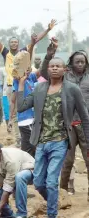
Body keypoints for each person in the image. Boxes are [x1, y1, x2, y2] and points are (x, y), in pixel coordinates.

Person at [17, 41, 89, 218]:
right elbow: (21, 107)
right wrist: (20, 85)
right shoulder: (39, 88)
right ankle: (54, 201)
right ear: (47, 69)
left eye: (58, 66)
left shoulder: (72, 89)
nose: (55, 69)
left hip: (60, 141)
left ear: (65, 70)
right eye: (52, 66)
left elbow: (85, 117)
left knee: (50, 182)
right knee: (39, 182)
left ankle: (52, 214)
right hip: (41, 142)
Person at [0, 14, 56, 102]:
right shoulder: (5, 52)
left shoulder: (23, 52)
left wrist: (48, 29)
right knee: (11, 110)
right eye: (12, 42)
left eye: (15, 42)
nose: (14, 43)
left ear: (18, 43)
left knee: (22, 107)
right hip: (10, 86)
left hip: (22, 84)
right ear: (9, 44)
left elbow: (35, 40)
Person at [55, 49, 89, 199]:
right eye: (77, 62)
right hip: (68, 124)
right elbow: (46, 73)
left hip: (85, 124)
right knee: (67, 160)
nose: (80, 64)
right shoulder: (65, 76)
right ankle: (63, 192)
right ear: (72, 63)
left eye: (83, 62)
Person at [10, 67, 37, 157]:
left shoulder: (32, 77)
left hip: (32, 118)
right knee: (32, 148)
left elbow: (40, 71)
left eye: (28, 68)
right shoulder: (18, 80)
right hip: (26, 119)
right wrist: (10, 118)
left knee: (28, 148)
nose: (27, 70)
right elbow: (13, 100)